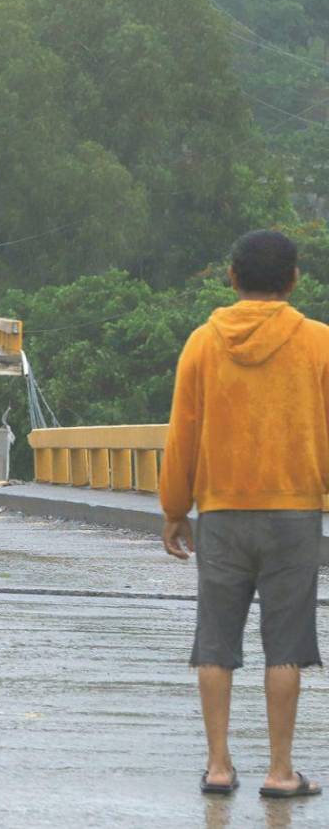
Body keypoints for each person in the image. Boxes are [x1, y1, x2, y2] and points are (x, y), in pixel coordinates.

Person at [160, 230, 329, 800]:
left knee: (215, 638)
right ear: (294, 279)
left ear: (232, 277)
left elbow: (183, 431)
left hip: (222, 512)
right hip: (295, 513)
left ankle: (218, 766)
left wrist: (175, 508)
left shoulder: (203, 343)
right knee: (288, 643)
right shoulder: (320, 344)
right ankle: (280, 772)